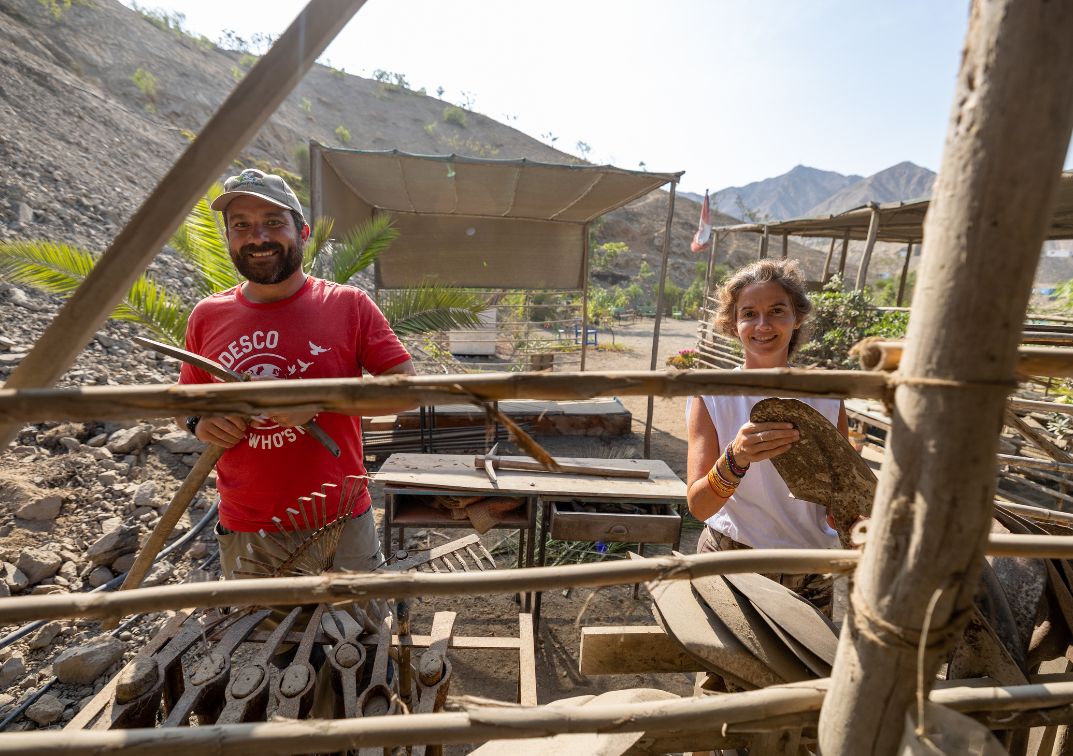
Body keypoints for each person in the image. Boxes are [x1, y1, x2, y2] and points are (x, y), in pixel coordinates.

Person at [178, 168, 416, 578]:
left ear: (302, 232)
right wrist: (201, 423)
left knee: (355, 637)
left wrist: (320, 402)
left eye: (273, 222)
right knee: (268, 640)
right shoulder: (206, 315)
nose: (258, 237)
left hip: (339, 520)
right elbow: (185, 402)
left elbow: (407, 390)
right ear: (230, 238)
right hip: (248, 526)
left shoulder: (348, 305)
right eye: (242, 226)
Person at [685, 259, 847, 612]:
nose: (763, 325)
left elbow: (842, 501)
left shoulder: (827, 397)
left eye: (777, 310)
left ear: (797, 317)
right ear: (733, 323)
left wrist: (857, 514)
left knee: (807, 667)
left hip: (808, 570)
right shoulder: (711, 394)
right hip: (729, 558)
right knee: (723, 666)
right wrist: (736, 457)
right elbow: (699, 506)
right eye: (749, 314)